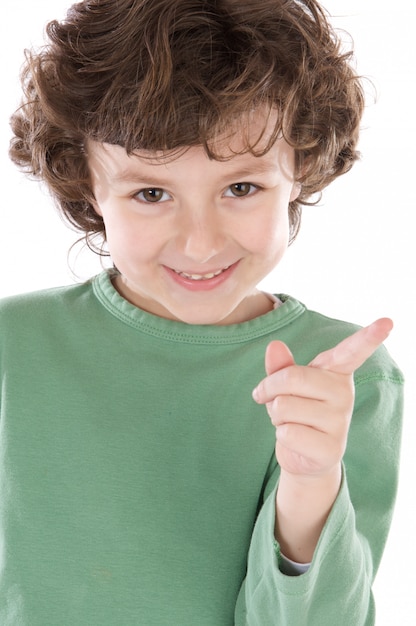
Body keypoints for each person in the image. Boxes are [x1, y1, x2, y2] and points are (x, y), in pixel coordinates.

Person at [1, 0, 403, 624]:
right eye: (151, 193)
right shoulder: (12, 348)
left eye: (241, 188)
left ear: (301, 167)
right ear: (86, 180)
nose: (200, 243)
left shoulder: (344, 379)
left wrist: (312, 479)